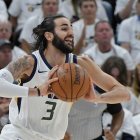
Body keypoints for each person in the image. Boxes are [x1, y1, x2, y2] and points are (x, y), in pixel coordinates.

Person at [0, 15, 130, 140]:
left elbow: (124, 93)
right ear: (49, 35)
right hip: (20, 135)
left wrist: (98, 98)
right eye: (64, 28)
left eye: (72, 28)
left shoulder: (81, 65)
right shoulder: (29, 62)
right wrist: (38, 92)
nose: (71, 33)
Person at [85, 20, 134, 86]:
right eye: (101, 30)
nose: (104, 32)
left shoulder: (123, 54)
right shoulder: (88, 56)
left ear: (111, 35)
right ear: (95, 36)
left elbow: (127, 80)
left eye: (107, 30)